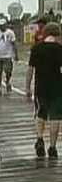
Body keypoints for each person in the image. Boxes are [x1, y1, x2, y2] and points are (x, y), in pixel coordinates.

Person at [26, 22, 62, 158]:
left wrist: (27, 87)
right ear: (57, 34)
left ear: (45, 33)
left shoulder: (36, 48)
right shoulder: (60, 49)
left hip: (40, 87)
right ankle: (52, 147)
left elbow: (30, 70)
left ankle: (40, 139)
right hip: (58, 88)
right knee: (55, 117)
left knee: (40, 114)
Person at [0, 18, 18, 95]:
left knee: (8, 71)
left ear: (6, 25)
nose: (2, 27)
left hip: (7, 55)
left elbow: (14, 44)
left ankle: (7, 82)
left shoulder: (10, 33)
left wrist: (16, 54)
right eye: (0, 26)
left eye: (3, 25)